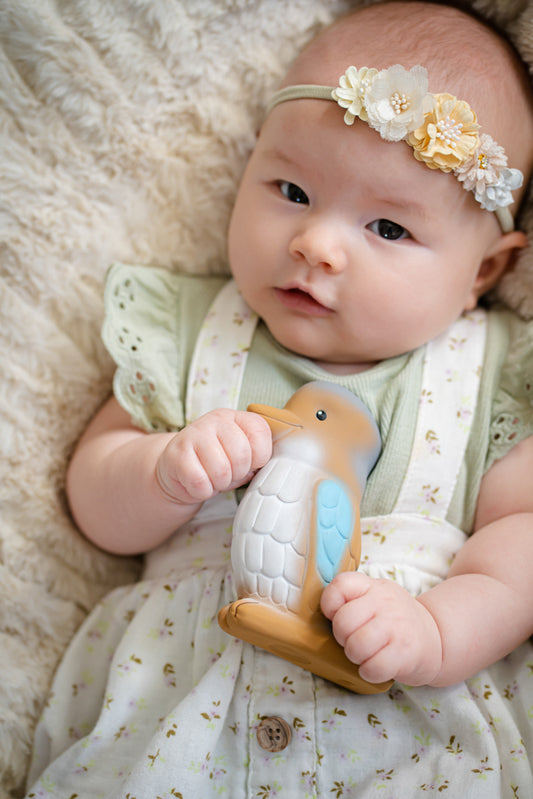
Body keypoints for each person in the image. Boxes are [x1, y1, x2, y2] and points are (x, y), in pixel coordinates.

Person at [26, 1, 533, 796]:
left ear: (483, 271)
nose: (315, 243)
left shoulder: (488, 373)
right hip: (177, 711)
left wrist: (439, 631)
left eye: (387, 228)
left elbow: (521, 542)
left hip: (407, 724)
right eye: (291, 189)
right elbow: (93, 499)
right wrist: (159, 470)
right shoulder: (190, 331)